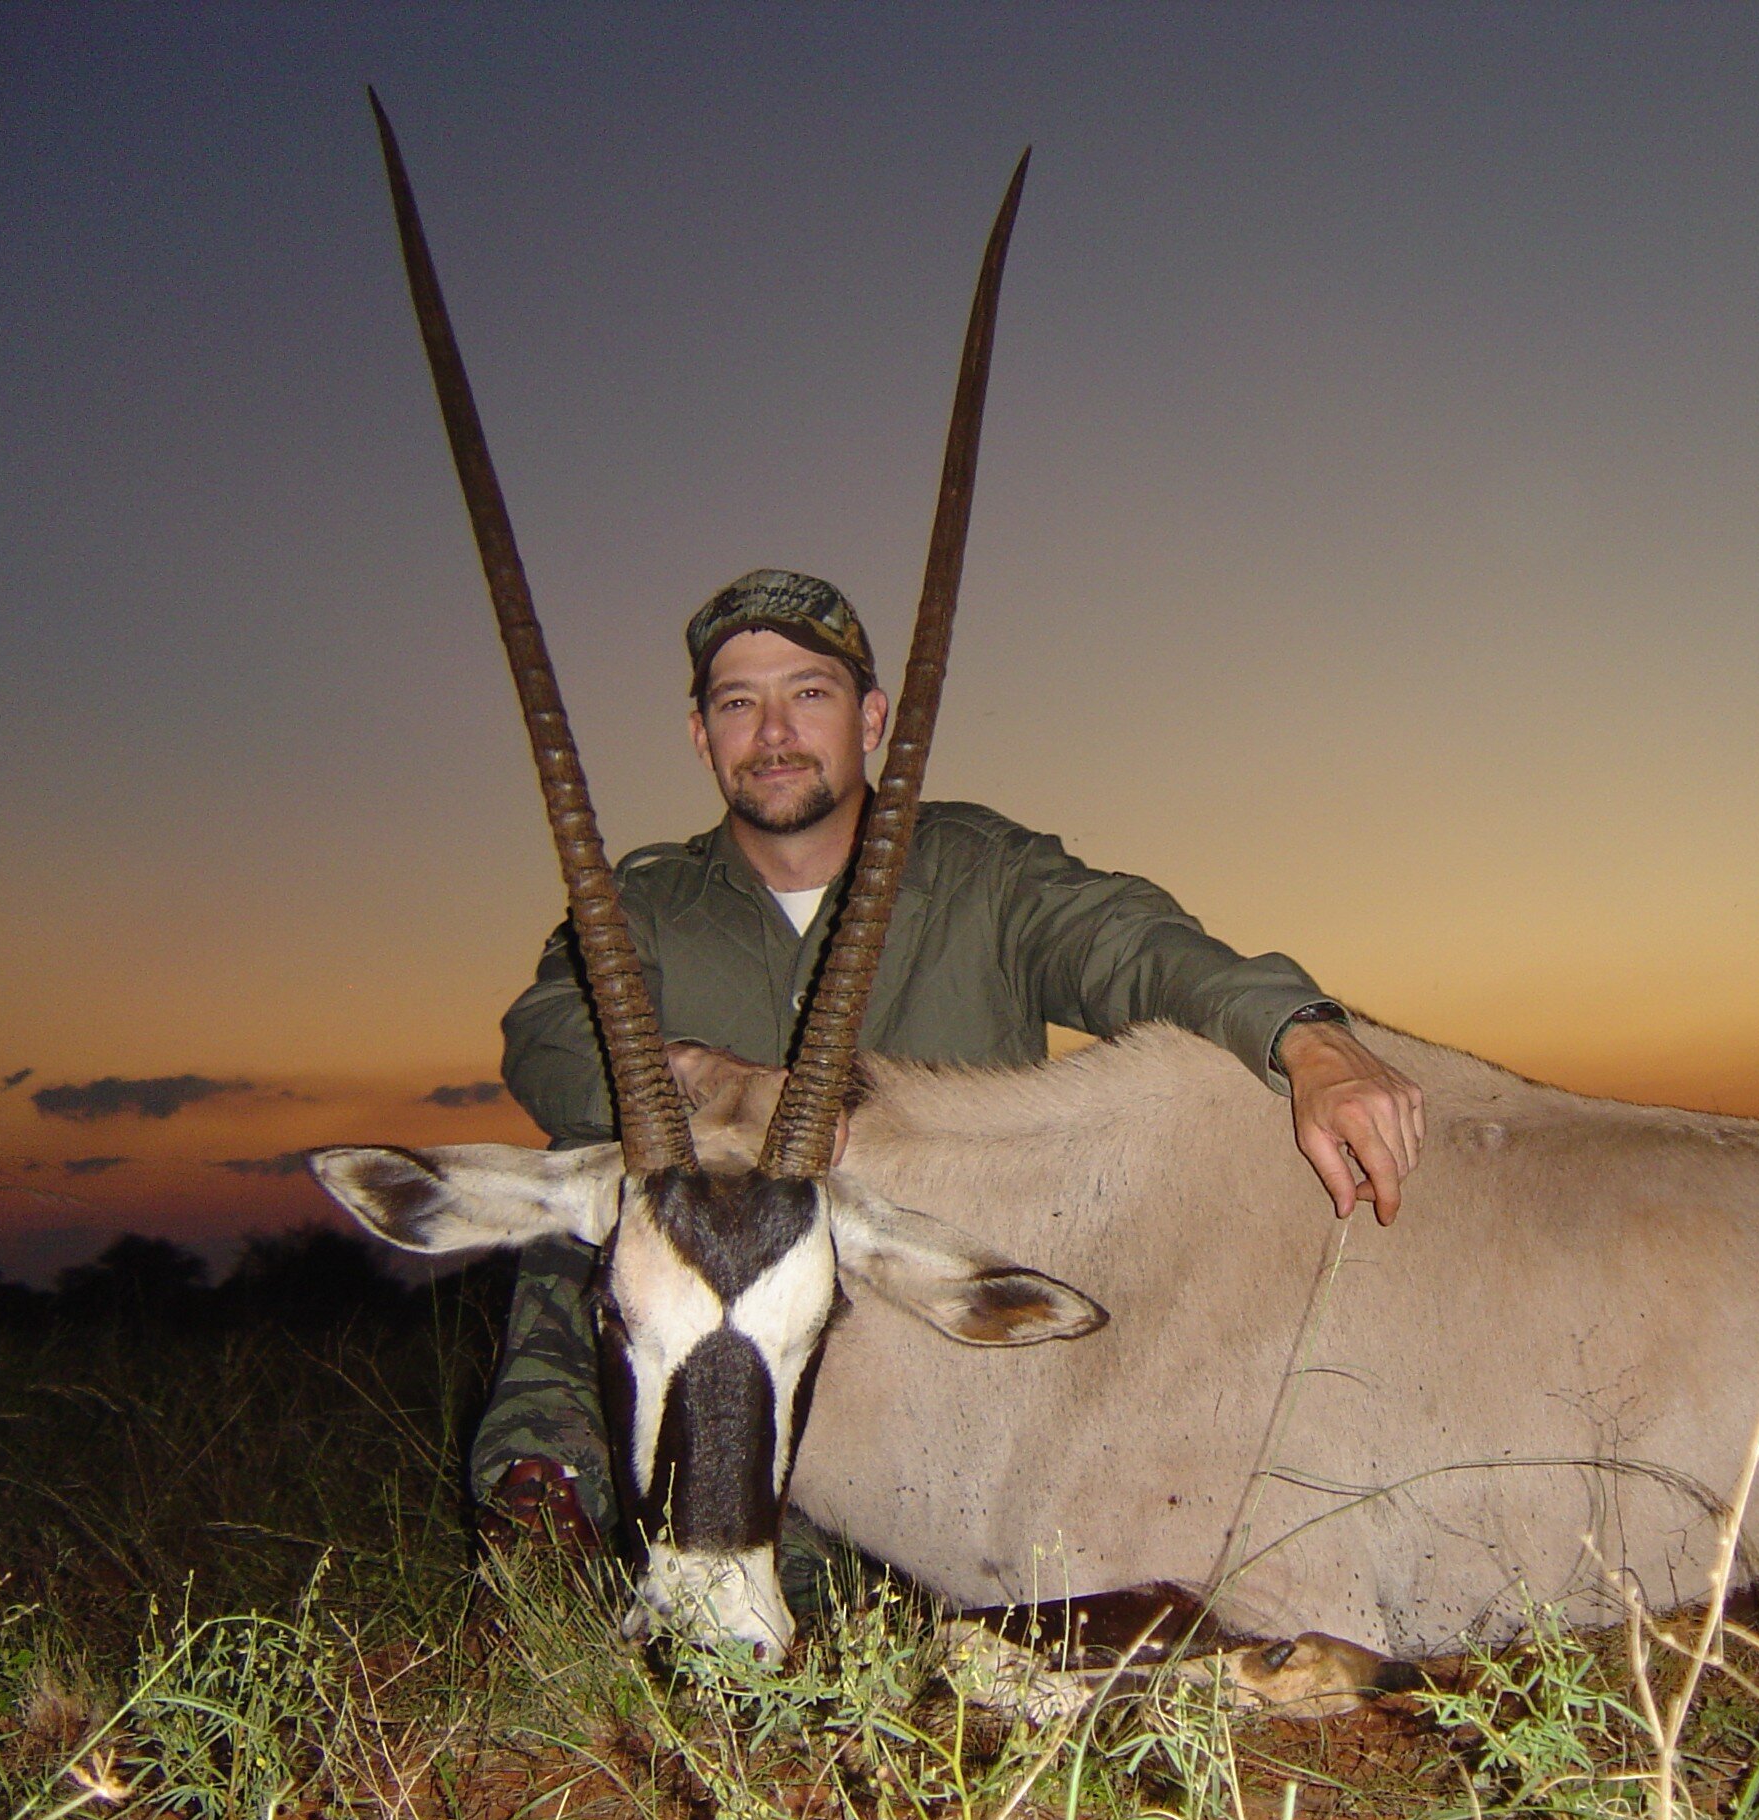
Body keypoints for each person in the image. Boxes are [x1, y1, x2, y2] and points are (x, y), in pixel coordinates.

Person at [473, 568, 1426, 1563]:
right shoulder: (646, 902)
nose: (774, 732)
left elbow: (1133, 948)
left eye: (809, 694)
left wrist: (1305, 1037)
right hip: (718, 1362)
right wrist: (694, 1076)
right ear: (701, 736)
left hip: (937, 1335)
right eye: (737, 704)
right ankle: (542, 1519)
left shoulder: (986, 873)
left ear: (871, 716)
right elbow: (547, 1033)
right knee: (592, 1173)